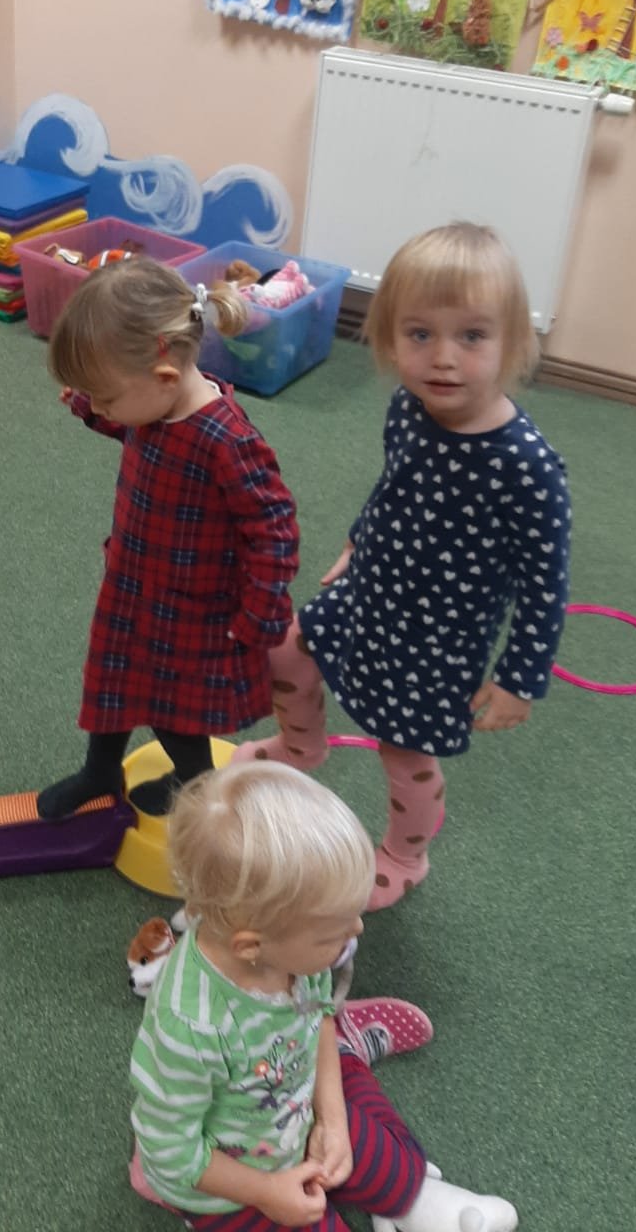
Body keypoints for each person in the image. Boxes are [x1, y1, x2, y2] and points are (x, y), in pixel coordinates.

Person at [235, 223, 571, 910]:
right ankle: (302, 747)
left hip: (437, 641)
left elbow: (546, 585)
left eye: (471, 336)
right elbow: (393, 488)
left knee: (403, 753)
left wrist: (520, 679)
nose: (442, 358)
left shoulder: (528, 467)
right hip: (371, 593)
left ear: (512, 343)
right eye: (420, 334)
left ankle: (404, 854)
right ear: (390, 340)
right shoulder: (409, 408)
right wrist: (356, 543)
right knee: (288, 651)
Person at [130, 761, 518, 1231]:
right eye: (334, 929)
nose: (357, 930)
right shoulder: (191, 1027)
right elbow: (171, 1151)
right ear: (251, 946)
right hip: (230, 1186)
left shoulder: (298, 958)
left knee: (383, 1154)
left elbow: (318, 1022)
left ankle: (413, 1189)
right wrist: (266, 1192)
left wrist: (332, 1117)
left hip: (291, 1103)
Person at [36, 258, 300, 821]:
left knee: (174, 709)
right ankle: (100, 771)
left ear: (164, 377)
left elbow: (274, 529)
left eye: (105, 396)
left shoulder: (227, 440)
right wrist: (93, 409)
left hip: (191, 608)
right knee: (111, 681)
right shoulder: (154, 406)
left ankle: (196, 783)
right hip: (134, 582)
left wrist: (261, 612)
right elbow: (132, 423)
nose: (99, 405)